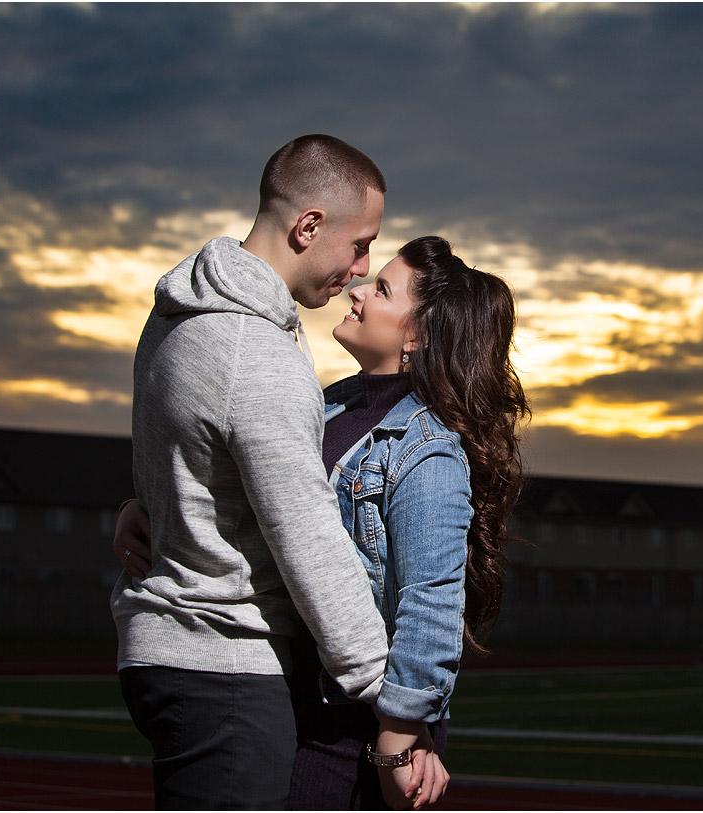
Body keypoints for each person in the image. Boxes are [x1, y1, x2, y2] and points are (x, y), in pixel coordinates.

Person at [116, 235, 529, 809]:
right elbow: (262, 497)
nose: (358, 292)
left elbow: (431, 599)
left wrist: (401, 732)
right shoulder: (329, 403)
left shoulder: (425, 449)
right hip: (290, 687)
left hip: (354, 720)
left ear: (419, 334)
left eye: (382, 289)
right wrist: (145, 509)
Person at [111, 135, 442, 810]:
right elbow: (308, 538)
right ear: (308, 225)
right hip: (224, 663)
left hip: (167, 655)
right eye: (360, 244)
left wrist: (147, 505)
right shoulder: (254, 351)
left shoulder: (179, 313)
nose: (360, 267)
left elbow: (183, 455)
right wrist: (400, 716)